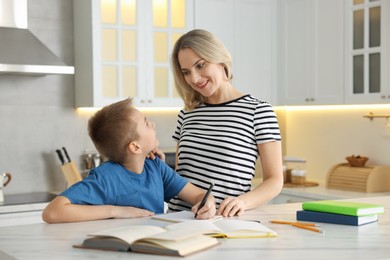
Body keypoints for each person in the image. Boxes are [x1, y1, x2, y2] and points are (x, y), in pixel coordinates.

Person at [42, 98, 216, 223]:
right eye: (147, 123)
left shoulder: (156, 167)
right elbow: (52, 212)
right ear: (135, 147)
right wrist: (116, 211)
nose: (153, 124)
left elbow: (198, 195)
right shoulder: (106, 177)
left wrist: (207, 202)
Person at [168, 29, 283, 217]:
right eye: (186, 72)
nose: (194, 79)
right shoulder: (186, 114)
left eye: (201, 65)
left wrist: (243, 202)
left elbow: (275, 180)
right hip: (178, 219)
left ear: (219, 59)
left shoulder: (258, 111)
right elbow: (181, 180)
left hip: (223, 222)